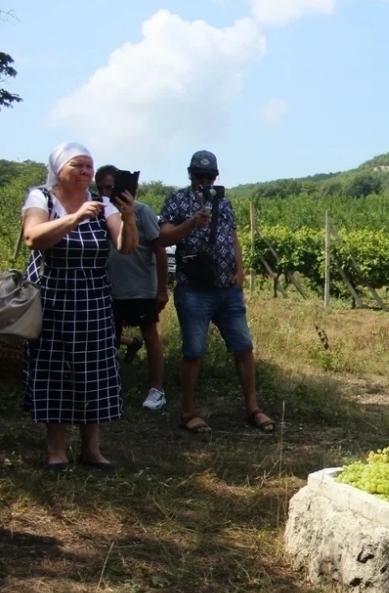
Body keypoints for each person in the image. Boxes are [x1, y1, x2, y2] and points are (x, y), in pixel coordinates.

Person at [20, 142, 138, 471]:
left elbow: (126, 248)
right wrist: (74, 218)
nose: (86, 172)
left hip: (94, 298)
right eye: (78, 165)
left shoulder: (102, 204)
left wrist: (128, 218)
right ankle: (56, 450)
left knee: (95, 371)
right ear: (60, 169)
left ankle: (91, 450)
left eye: (89, 166)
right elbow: (33, 238)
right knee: (53, 370)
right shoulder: (41, 197)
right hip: (51, 295)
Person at [158, 150, 275, 435]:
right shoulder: (176, 199)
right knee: (194, 351)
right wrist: (189, 224)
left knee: (244, 348)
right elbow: (163, 238)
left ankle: (253, 408)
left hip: (227, 288)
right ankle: (188, 412)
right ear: (190, 174)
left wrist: (239, 270)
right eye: (200, 176)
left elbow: (232, 236)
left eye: (210, 176)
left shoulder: (224, 201)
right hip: (194, 288)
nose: (205, 181)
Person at [97, 165, 169, 410]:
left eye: (111, 187)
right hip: (109, 288)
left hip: (140, 287)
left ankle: (156, 389)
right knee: (110, 336)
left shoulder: (142, 212)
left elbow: (160, 251)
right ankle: (111, 385)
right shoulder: (98, 213)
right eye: (102, 188)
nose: (107, 193)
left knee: (149, 333)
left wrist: (162, 289)